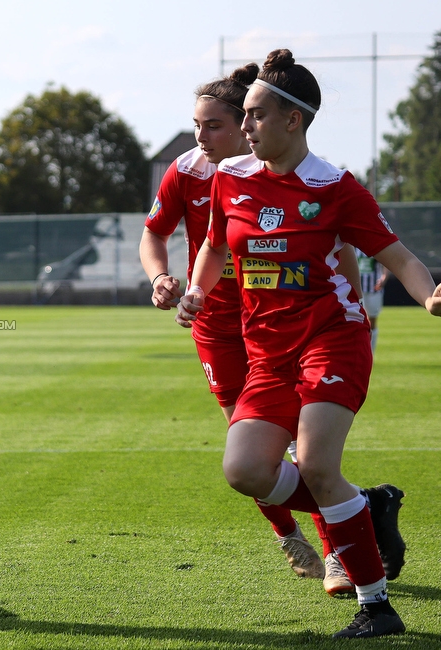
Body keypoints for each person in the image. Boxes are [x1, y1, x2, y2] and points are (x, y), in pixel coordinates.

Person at [177, 49, 441, 638]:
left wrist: (428, 297)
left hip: (333, 339)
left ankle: (376, 607)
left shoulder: (336, 187)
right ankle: (365, 508)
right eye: (243, 115)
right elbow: (216, 247)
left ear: (293, 120)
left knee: (318, 465)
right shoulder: (230, 179)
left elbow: (397, 256)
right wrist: (197, 289)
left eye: (255, 115)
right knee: (244, 470)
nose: (244, 126)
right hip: (267, 353)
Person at [140, 64, 355, 595]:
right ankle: (290, 534)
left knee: (307, 453)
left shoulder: (286, 173)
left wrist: (354, 314)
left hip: (286, 323)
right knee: (249, 448)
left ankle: (338, 552)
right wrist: (164, 278)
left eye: (213, 126)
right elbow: (155, 234)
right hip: (217, 326)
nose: (200, 137)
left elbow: (341, 249)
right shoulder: (187, 171)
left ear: (246, 125)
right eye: (196, 125)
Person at [356, 249, 389, 352]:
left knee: (372, 320)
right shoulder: (352, 247)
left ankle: (371, 352)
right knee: (357, 320)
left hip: (373, 289)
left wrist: (384, 277)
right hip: (357, 289)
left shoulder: (373, 245)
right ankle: (358, 351)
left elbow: (386, 262)